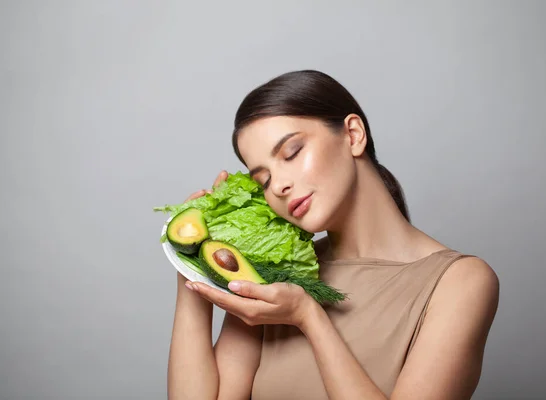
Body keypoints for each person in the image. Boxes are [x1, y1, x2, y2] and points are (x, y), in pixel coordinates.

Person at [167, 70, 500, 400]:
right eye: (263, 180)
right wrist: (190, 265)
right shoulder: (276, 274)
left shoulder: (460, 282)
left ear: (353, 134)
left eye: (292, 152)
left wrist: (309, 318)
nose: (280, 185)